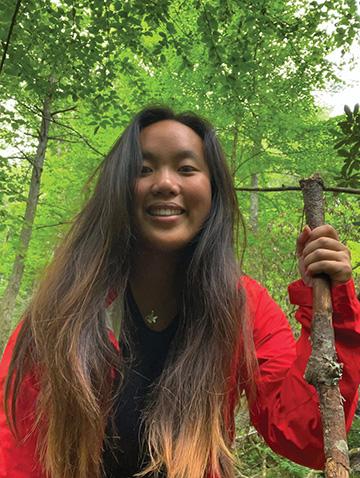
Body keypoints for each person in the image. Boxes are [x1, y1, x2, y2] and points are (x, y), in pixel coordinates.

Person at [0, 106, 359, 478]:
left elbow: (306, 438)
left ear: (213, 191)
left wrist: (335, 306)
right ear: (118, 190)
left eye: (187, 168)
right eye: (144, 169)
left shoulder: (243, 306)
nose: (166, 183)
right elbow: (17, 452)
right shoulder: (63, 308)